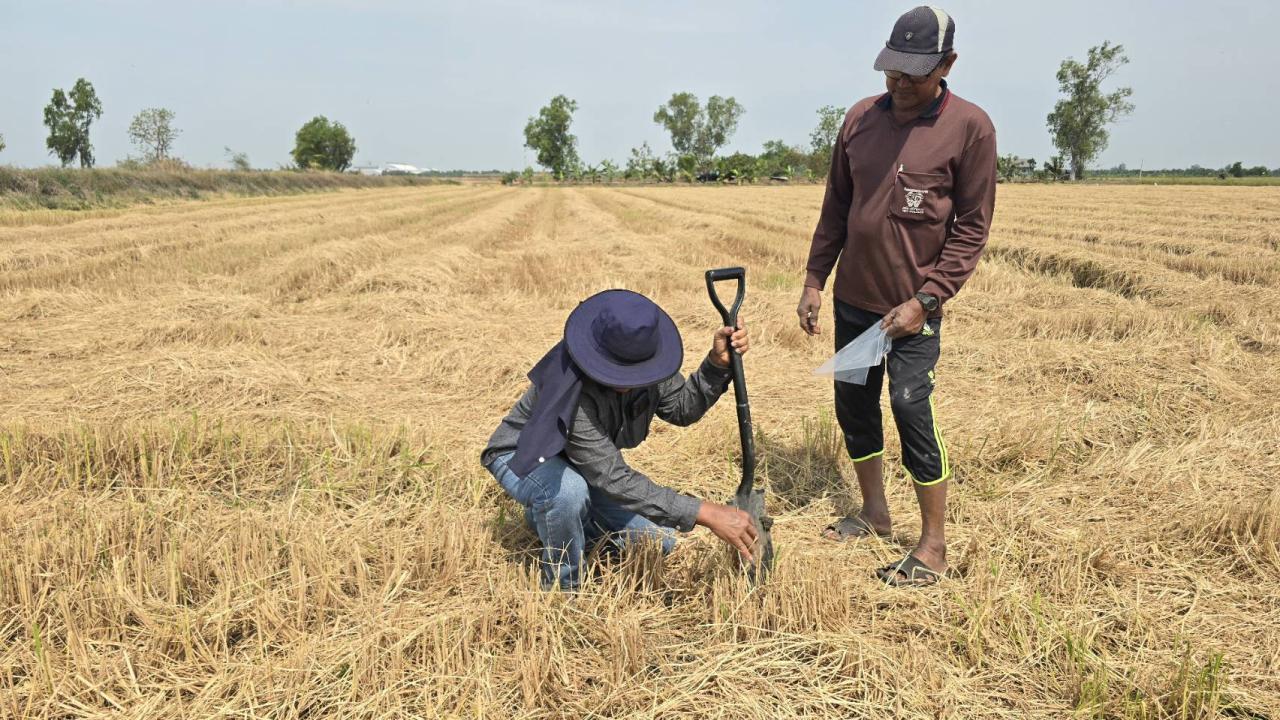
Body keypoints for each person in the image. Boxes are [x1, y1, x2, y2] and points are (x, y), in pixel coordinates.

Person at [796, 6, 997, 587]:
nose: (899, 83)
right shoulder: (860, 119)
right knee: (853, 408)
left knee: (910, 408)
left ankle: (932, 544)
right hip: (854, 302)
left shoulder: (970, 128)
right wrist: (815, 279)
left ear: (947, 64)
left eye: (913, 72)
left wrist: (928, 300)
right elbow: (836, 205)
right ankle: (875, 512)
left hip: (912, 314)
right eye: (892, 70)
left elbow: (971, 229)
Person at [481, 288, 757, 590]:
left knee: (657, 542)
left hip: (580, 463)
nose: (629, 384)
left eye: (636, 373)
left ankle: (552, 522)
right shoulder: (574, 391)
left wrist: (716, 365)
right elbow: (613, 476)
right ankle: (562, 592)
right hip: (525, 455)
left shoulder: (646, 361)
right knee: (567, 493)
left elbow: (681, 409)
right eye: (617, 373)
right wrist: (704, 512)